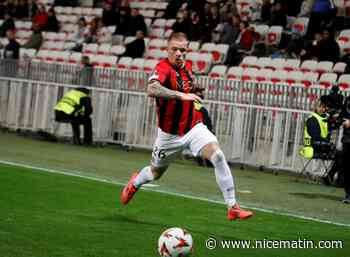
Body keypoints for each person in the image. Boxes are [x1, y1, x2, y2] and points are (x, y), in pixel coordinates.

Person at [120, 32, 253, 221]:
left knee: (218, 155)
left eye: (183, 50)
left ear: (187, 51)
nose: (179, 53)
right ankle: (135, 182)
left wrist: (193, 90)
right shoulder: (162, 67)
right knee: (155, 173)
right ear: (167, 49)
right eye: (174, 49)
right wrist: (181, 95)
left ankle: (232, 206)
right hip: (169, 136)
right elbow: (152, 89)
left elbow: (186, 87)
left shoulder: (187, 68)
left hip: (193, 127)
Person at [340, 96, 350, 203]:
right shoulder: (347, 99)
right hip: (347, 139)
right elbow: (342, 115)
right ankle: (348, 194)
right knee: (346, 167)